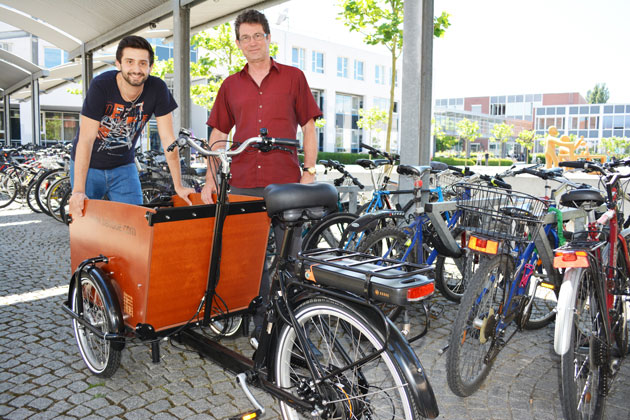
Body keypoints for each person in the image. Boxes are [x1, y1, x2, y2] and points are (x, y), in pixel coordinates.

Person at [200, 9, 322, 342]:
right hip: (242, 183)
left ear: (268, 38)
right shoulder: (230, 85)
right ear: (238, 43)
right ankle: (257, 322)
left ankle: (286, 327)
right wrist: (211, 177)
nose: (252, 42)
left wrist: (309, 171)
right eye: (245, 37)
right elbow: (218, 134)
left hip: (285, 183)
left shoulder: (293, 77)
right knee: (245, 259)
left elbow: (309, 127)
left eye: (258, 35)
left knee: (288, 259)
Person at [69, 35, 194, 217]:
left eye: (143, 63)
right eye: (130, 62)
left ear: (151, 67)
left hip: (123, 167)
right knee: (86, 226)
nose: (136, 69)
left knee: (135, 222)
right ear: (118, 64)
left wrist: (178, 185)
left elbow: (168, 139)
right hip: (89, 167)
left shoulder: (157, 89)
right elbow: (86, 139)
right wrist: (78, 191)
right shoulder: (101, 86)